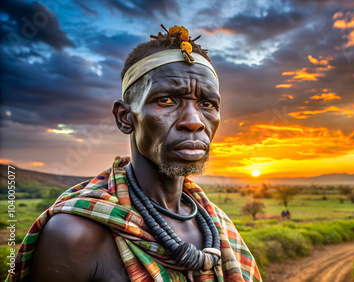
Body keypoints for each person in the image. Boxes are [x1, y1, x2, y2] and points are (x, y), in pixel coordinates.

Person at [8, 25, 261, 282]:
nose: (194, 121)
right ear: (125, 117)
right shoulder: (75, 235)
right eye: (166, 100)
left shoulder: (218, 224)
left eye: (207, 104)